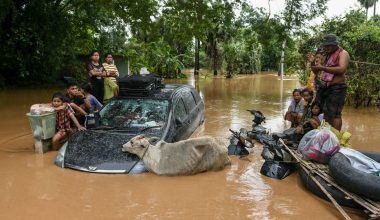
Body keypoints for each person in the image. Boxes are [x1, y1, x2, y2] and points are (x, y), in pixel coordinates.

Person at [311, 34, 350, 131]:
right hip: (325, 87)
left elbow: (342, 69)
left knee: (335, 114)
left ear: (335, 44)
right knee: (326, 112)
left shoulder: (343, 53)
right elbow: (316, 70)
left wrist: (323, 67)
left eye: (329, 45)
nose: (327, 47)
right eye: (325, 45)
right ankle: (326, 135)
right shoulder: (327, 55)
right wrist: (312, 63)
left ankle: (335, 137)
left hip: (337, 88)